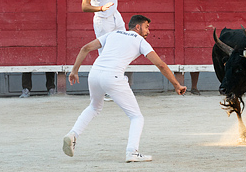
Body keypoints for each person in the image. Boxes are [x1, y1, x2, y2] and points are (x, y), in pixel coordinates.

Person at [63, 14, 186, 162]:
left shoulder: (113, 34)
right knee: (136, 116)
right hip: (113, 76)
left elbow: (86, 48)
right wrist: (176, 84)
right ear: (138, 27)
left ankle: (73, 134)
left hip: (94, 74)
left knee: (94, 107)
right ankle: (132, 152)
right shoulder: (140, 40)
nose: (148, 32)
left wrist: (74, 71)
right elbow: (160, 64)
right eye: (147, 27)